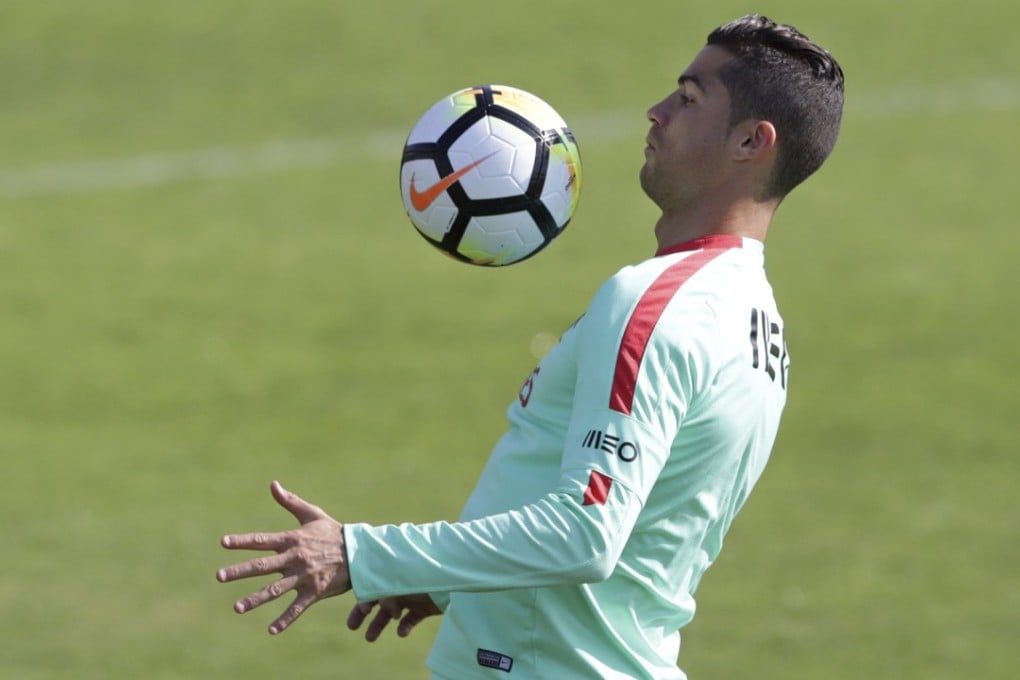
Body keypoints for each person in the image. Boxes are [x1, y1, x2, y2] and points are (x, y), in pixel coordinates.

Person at [217, 14, 844, 679]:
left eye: (688, 99)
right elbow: (643, 527)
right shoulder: (754, 320)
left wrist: (364, 555)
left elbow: (586, 535)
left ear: (752, 140)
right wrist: (453, 581)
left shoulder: (658, 305)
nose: (656, 113)